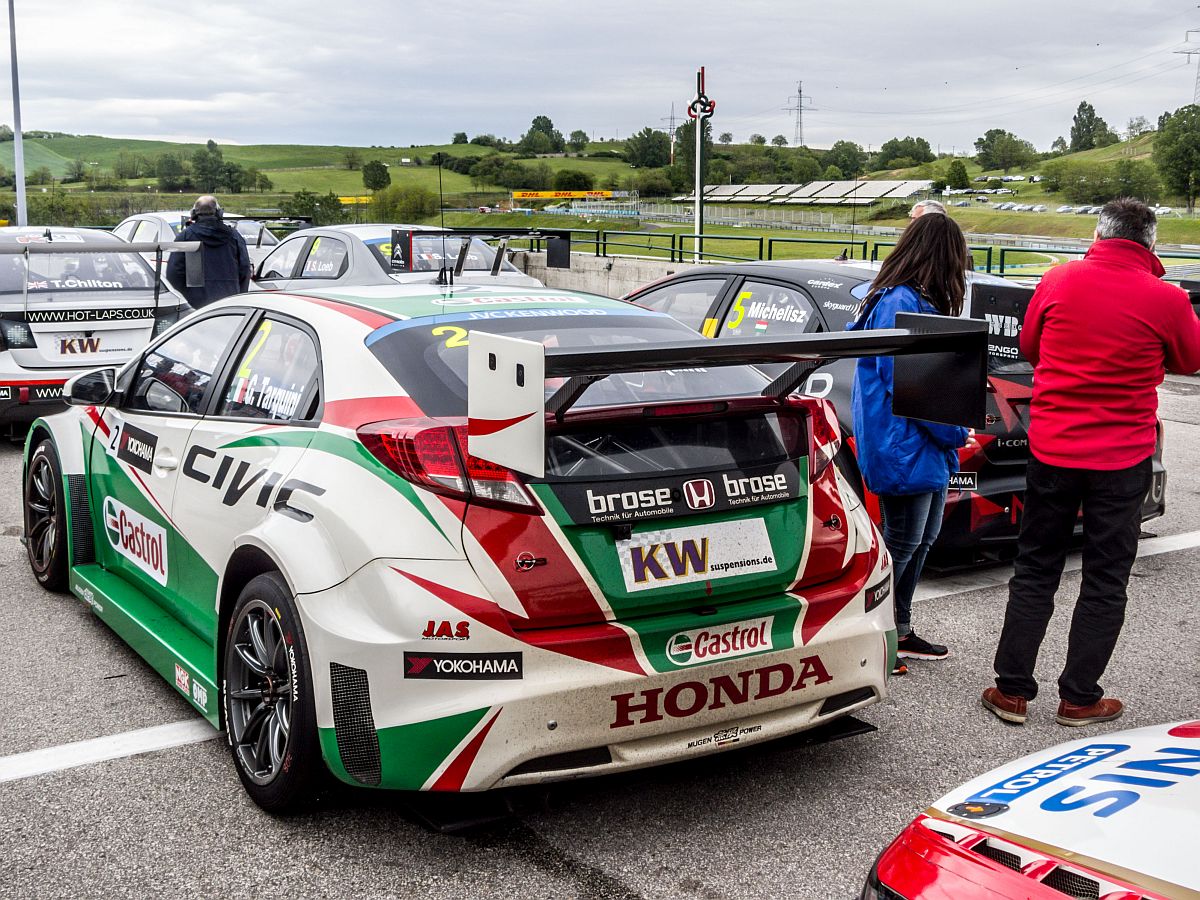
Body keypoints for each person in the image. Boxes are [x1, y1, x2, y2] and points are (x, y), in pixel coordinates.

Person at [983, 198, 1200, 727]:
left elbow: (1031, 347)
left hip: (1053, 449)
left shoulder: (1058, 280)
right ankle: (1079, 698)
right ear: (1150, 242)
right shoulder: (1167, 298)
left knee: (1036, 566)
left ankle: (1011, 691)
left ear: (1099, 235)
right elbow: (1190, 359)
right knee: (1106, 576)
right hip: (1122, 458)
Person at [847, 213, 975, 672]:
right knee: (901, 543)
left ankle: (900, 630)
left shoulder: (908, 299)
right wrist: (955, 428)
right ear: (942, 256)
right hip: (906, 445)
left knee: (923, 540)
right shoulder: (899, 302)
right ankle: (875, 636)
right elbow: (913, 387)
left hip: (920, 444)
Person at [166, 195, 251, 308]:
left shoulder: (185, 236)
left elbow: (173, 274)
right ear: (219, 213)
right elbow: (245, 269)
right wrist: (239, 295)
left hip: (196, 306)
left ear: (194, 214)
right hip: (230, 303)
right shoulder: (234, 236)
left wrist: (187, 298)